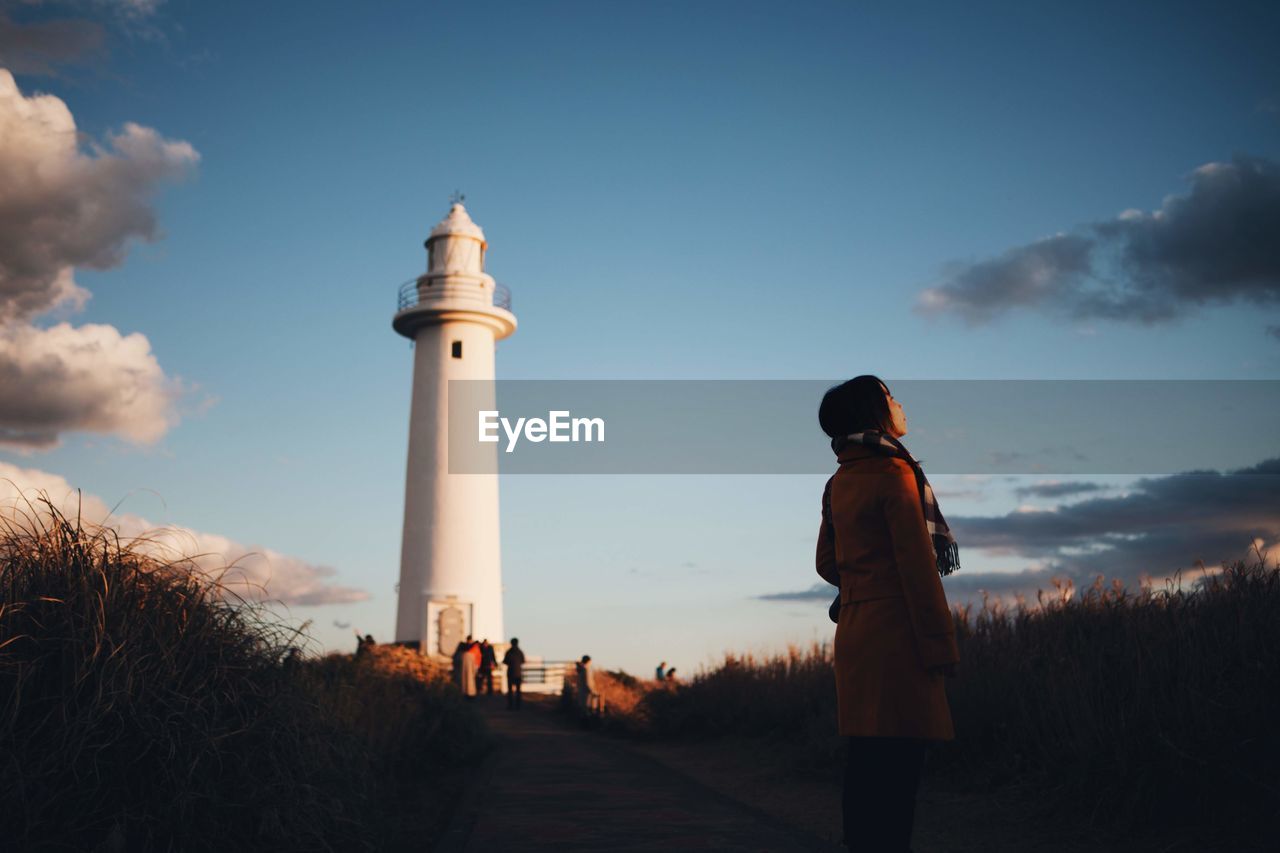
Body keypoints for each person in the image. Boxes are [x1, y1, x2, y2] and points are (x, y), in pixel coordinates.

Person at [816, 376, 961, 852]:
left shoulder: (839, 481)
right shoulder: (896, 474)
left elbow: (825, 563)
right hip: (900, 634)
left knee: (866, 758)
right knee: (900, 766)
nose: (900, 404)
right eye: (890, 397)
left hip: (857, 631)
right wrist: (941, 646)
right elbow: (919, 570)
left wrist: (860, 584)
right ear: (874, 412)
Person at [503, 638, 526, 710]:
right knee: (518, 691)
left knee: (510, 691)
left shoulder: (509, 652)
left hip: (510, 673)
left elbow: (505, 662)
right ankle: (518, 706)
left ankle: (510, 706)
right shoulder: (520, 652)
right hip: (518, 673)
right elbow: (523, 661)